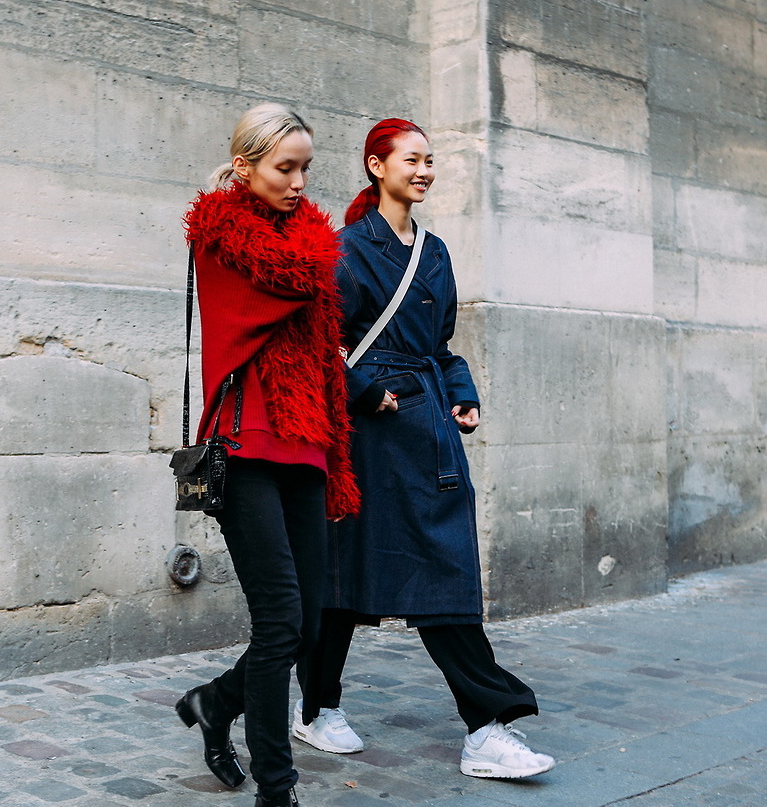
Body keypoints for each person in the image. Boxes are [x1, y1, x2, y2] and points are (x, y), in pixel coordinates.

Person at [294, 119, 555, 780]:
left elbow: (439, 346)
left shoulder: (433, 251)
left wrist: (461, 391)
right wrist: (362, 390)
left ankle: (485, 727)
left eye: (430, 160)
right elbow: (320, 341)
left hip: (429, 428)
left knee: (442, 569)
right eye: (412, 159)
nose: (425, 170)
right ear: (376, 166)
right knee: (344, 576)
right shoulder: (347, 248)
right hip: (367, 437)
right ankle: (316, 706)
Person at [174, 104, 361, 807]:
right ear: (244, 165)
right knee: (281, 619)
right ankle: (277, 790)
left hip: (304, 445)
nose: (300, 182)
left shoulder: (303, 239)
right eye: (285, 167)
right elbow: (294, 279)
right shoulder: (221, 238)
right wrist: (318, 245)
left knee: (307, 625)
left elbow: (322, 350)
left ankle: (216, 703)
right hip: (245, 446)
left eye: (307, 167)